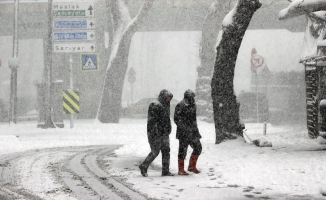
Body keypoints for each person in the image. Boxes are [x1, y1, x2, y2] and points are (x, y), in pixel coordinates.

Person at [139, 89, 174, 177]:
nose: (169, 100)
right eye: (167, 98)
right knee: (155, 151)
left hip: (164, 133)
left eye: (170, 98)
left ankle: (165, 170)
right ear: (163, 97)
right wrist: (155, 132)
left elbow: (166, 119)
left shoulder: (166, 105)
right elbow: (152, 121)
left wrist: (168, 128)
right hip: (155, 133)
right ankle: (144, 166)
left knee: (166, 151)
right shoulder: (154, 105)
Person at [174, 89, 202, 175]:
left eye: (193, 97)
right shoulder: (180, 105)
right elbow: (177, 119)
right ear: (187, 97)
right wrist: (185, 128)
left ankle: (191, 166)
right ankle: (181, 170)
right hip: (183, 133)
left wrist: (194, 129)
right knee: (182, 151)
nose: (192, 99)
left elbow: (193, 119)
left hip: (193, 132)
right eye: (191, 97)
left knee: (198, 147)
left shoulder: (193, 105)